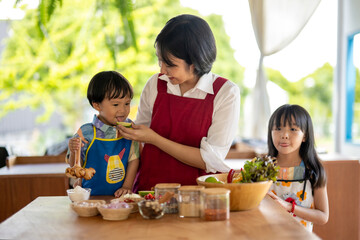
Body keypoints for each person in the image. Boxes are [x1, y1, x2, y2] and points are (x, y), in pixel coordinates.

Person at [117, 14, 240, 191]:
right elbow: (138, 139)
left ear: (196, 61)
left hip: (198, 196)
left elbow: (210, 160)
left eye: (170, 64)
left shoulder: (225, 93)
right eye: (160, 60)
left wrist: (154, 139)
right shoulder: (155, 84)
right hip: (150, 191)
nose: (162, 70)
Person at [66, 71, 139, 197]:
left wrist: (127, 186)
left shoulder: (130, 130)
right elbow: (75, 167)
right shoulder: (85, 132)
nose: (123, 110)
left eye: (127, 103)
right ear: (97, 105)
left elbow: (134, 159)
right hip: (90, 197)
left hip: (120, 198)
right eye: (116, 104)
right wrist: (73, 151)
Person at [266, 104, 329, 232]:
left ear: (305, 135)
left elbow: (323, 216)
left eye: (293, 129)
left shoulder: (313, 170)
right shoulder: (263, 168)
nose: (284, 135)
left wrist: (290, 207)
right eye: (278, 128)